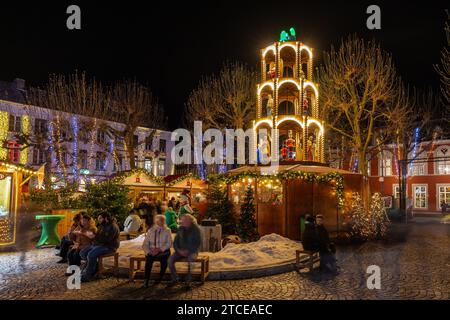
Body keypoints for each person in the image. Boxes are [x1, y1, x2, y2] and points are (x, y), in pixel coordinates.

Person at [79, 212, 120, 282]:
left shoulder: (113, 226)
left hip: (109, 247)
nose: (99, 220)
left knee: (91, 255)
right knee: (82, 252)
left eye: (100, 218)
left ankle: (88, 275)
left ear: (106, 218)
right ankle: (96, 268)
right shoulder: (103, 225)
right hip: (99, 245)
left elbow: (106, 240)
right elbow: (99, 236)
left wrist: (95, 237)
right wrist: (93, 237)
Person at [168, 214, 201, 287]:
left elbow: (197, 243)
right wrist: (179, 250)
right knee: (170, 260)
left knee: (190, 262)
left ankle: (188, 281)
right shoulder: (180, 228)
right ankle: (175, 279)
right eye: (182, 220)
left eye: (185, 220)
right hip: (180, 251)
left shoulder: (196, 229)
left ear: (190, 220)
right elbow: (175, 242)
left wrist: (188, 251)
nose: (183, 222)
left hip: (192, 251)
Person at [142, 215, 173, 287]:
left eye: (163, 220)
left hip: (163, 251)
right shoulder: (151, 230)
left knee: (164, 261)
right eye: (160, 220)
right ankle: (146, 279)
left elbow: (169, 243)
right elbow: (145, 244)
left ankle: (160, 277)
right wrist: (149, 251)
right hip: (152, 251)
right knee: (149, 260)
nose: (162, 222)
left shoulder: (167, 230)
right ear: (156, 221)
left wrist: (159, 249)